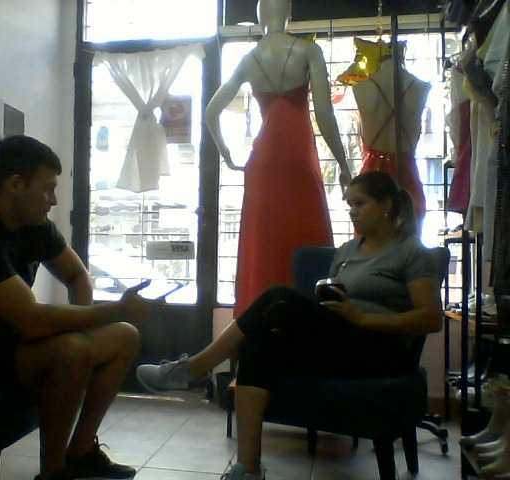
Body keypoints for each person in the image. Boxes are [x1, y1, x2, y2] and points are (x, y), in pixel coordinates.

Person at [137, 171, 443, 480]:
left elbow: (430, 318)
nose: (352, 211)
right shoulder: (347, 251)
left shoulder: (412, 252)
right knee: (259, 342)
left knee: (278, 296)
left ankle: (194, 368)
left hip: (381, 351)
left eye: (359, 204)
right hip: (338, 341)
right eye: (349, 205)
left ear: (386, 205)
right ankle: (249, 468)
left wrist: (362, 318)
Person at [0, 135, 155, 480]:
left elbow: (77, 275)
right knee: (72, 350)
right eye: (48, 189)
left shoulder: (33, 226)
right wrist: (116, 310)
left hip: (11, 345)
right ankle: (53, 473)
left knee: (124, 336)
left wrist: (89, 323)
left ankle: (81, 451)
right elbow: (33, 320)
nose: (54, 200)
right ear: (16, 185)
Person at [204, 0, 351, 319]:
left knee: (264, 242)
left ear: (259, 16)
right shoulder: (309, 51)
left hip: (263, 163)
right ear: (290, 14)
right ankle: (309, 320)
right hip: (298, 158)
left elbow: (211, 111)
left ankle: (261, 321)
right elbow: (324, 115)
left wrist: (226, 153)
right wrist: (343, 164)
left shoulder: (249, 59)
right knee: (306, 236)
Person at [352, 46, 431, 222]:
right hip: (406, 173)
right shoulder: (419, 87)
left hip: (372, 177)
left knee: (371, 233)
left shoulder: (363, 87)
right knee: (408, 230)